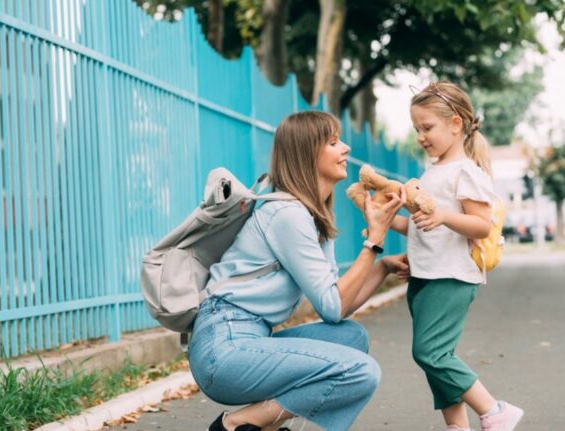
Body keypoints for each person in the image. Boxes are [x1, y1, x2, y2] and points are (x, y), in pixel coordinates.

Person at [188, 111, 410, 431]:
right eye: (334, 142)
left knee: (350, 337)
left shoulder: (310, 216)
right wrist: (374, 240)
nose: (346, 148)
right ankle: (238, 424)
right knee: (361, 371)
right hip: (224, 350)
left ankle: (261, 426)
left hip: (249, 340)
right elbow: (332, 305)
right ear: (307, 153)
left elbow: (337, 307)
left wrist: (382, 267)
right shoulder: (286, 214)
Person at [388, 81, 524, 431]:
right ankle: (456, 426)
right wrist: (390, 221)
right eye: (417, 128)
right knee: (436, 356)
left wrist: (444, 216)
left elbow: (481, 225)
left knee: (430, 353)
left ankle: (495, 411)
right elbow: (426, 226)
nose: (421, 136)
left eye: (427, 127)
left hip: (452, 277)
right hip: (425, 276)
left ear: (456, 123)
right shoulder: (431, 174)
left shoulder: (467, 173)